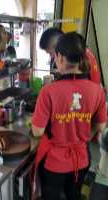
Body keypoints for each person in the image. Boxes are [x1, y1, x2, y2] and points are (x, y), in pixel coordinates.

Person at [32, 32, 107, 200]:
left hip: (54, 162)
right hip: (81, 160)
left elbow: (37, 132)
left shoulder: (48, 91)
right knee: (74, 195)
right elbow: (101, 126)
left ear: (60, 57)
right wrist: (84, 136)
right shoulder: (98, 91)